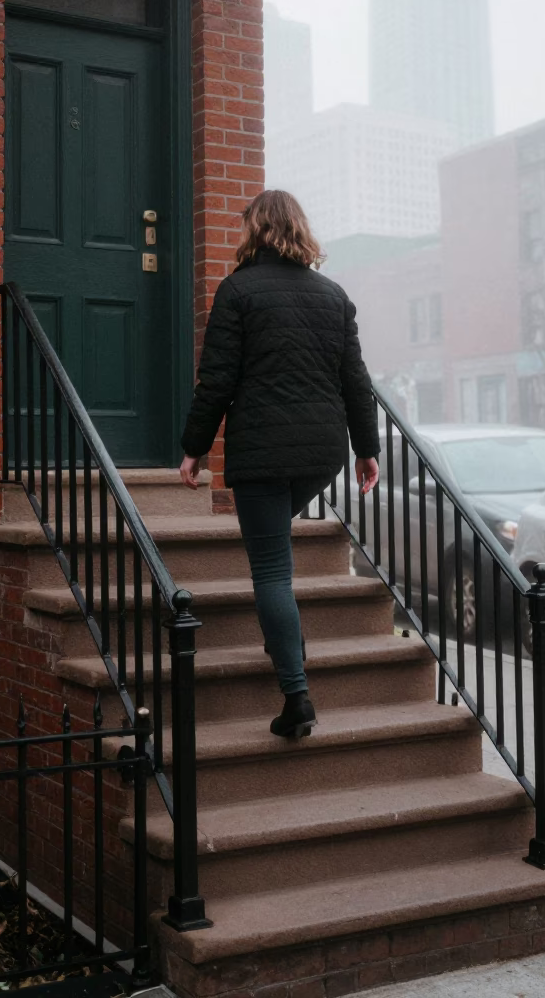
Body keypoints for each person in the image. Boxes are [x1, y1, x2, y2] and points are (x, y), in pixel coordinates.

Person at [179, 190, 380, 739]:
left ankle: (296, 697)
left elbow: (217, 380)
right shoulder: (333, 295)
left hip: (263, 450)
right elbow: (355, 381)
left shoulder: (237, 290)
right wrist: (366, 450)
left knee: (271, 570)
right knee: (274, 554)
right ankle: (285, 638)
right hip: (321, 454)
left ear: (255, 230)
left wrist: (194, 446)